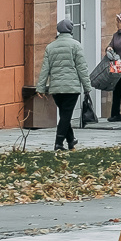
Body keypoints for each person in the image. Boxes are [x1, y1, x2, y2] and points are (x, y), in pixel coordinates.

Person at [37, 19, 89, 152]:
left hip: (56, 88)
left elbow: (45, 69)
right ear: (71, 30)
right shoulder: (76, 45)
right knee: (66, 116)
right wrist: (87, 87)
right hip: (71, 88)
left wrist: (41, 88)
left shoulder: (50, 47)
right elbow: (82, 68)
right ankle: (58, 143)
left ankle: (71, 141)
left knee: (64, 115)